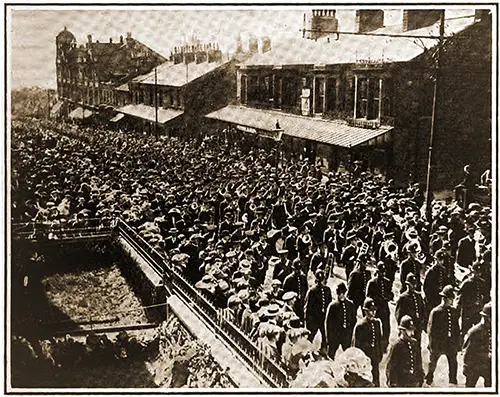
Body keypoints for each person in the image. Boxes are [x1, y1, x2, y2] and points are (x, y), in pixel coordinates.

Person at [425, 285, 461, 386]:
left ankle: (452, 381)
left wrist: (458, 343)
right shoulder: (436, 312)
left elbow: (456, 328)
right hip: (438, 343)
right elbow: (431, 331)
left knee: (453, 362)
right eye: (450, 299)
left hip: (450, 343)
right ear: (444, 298)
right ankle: (429, 378)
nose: (452, 301)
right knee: (433, 362)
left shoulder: (453, 311)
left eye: (452, 298)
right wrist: (432, 345)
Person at [352, 297, 384, 387]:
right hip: (365, 357)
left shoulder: (377, 323)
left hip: (374, 356)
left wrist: (380, 354)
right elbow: (356, 345)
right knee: (365, 380)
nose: (373, 312)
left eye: (374, 310)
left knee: (376, 378)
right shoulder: (360, 325)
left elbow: (379, 340)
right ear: (365, 311)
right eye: (370, 310)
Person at [386, 315, 424, 387]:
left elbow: (419, 363)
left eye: (412, 330)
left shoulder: (415, 343)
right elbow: (391, 367)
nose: (412, 333)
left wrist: (421, 379)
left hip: (414, 382)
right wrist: (393, 384)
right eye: (409, 330)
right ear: (402, 331)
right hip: (402, 383)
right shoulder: (396, 346)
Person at [462, 302, 492, 387]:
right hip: (474, 366)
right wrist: (466, 369)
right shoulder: (474, 332)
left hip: (488, 366)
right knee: (470, 388)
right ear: (486, 318)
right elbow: (467, 353)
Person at [324, 282, 356, 360]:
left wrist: (352, 335)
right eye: (339, 293)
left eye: (343, 293)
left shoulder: (350, 304)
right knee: (331, 355)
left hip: (346, 335)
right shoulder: (332, 306)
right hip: (335, 335)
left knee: (348, 355)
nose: (341, 295)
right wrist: (329, 338)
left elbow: (353, 320)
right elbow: (328, 323)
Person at [366, 262, 393, 352]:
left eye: (384, 272)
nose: (383, 274)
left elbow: (391, 294)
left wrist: (388, 297)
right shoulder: (372, 283)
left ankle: (384, 345)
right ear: (377, 271)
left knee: (386, 328)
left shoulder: (387, 282)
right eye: (381, 272)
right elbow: (368, 296)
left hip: (384, 308)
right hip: (376, 309)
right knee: (374, 327)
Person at [395, 273, 427, 346]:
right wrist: (403, 328)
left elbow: (422, 310)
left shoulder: (418, 296)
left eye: (414, 284)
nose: (413, 286)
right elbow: (398, 315)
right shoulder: (403, 298)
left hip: (417, 327)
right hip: (407, 327)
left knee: (417, 347)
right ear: (407, 285)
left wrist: (422, 323)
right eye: (411, 284)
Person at [457, 261, 487, 337]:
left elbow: (486, 296)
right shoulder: (467, 283)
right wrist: (458, 307)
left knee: (478, 330)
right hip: (468, 311)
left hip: (478, 310)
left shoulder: (482, 283)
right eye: (476, 272)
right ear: (472, 271)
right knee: (465, 331)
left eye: (479, 272)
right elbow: (460, 297)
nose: (478, 274)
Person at [304, 269, 332, 351]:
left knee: (325, 334)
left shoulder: (327, 290)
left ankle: (323, 349)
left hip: (323, 317)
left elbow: (329, 304)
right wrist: (308, 321)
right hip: (314, 318)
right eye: (319, 280)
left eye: (322, 280)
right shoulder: (312, 291)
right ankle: (306, 351)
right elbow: (308, 307)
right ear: (316, 280)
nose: (321, 282)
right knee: (311, 335)